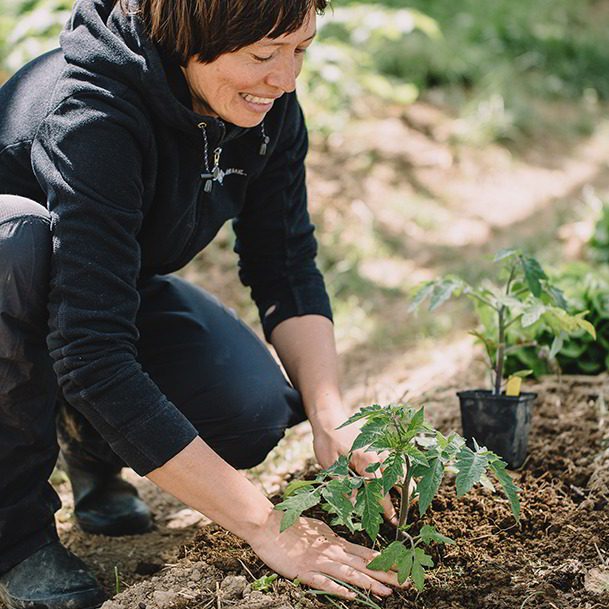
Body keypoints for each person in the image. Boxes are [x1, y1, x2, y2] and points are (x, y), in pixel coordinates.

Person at [0, 1, 403, 607]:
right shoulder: (90, 116)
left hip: (98, 290)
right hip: (11, 283)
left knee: (248, 413)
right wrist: (270, 527)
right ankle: (16, 534)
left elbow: (285, 265)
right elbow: (93, 355)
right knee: (20, 243)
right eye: (263, 56)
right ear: (191, 36)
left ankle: (87, 439)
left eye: (300, 49)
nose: (287, 78)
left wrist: (329, 415)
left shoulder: (263, 109)